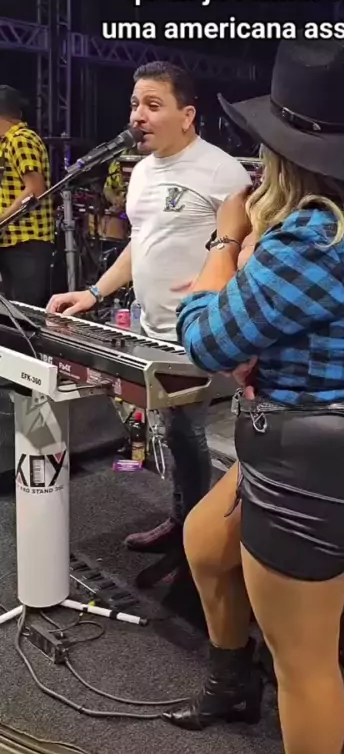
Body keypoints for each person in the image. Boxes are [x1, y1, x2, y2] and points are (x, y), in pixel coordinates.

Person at [159, 37, 344, 754]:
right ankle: (232, 682)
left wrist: (224, 245)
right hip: (311, 436)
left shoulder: (315, 240)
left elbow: (208, 343)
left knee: (304, 661)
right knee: (206, 543)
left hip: (313, 459)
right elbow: (277, 325)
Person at [47, 61, 252, 582]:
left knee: (187, 430)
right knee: (172, 431)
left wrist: (218, 301)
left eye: (153, 105)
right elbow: (142, 243)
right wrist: (94, 292)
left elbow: (244, 249)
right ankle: (188, 521)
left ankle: (196, 534)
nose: (138, 115)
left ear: (188, 115)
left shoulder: (222, 172)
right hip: (151, 326)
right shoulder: (140, 172)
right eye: (135, 104)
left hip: (197, 331)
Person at [0, 85, 54, 305]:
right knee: (11, 310)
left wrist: (1, 220)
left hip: (27, 241)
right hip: (12, 239)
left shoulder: (21, 139)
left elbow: (35, 190)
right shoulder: (7, 142)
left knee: (25, 310)